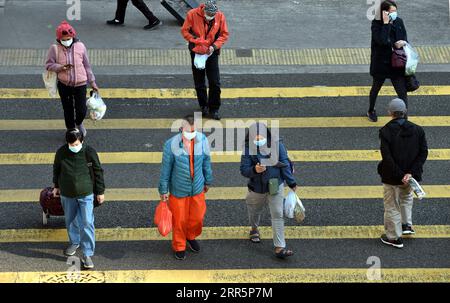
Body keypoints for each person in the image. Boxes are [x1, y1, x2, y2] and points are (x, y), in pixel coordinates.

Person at [158, 115, 213, 260]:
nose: (191, 133)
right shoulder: (171, 144)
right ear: (181, 129)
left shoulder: (203, 141)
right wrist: (163, 190)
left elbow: (207, 161)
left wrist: (208, 180)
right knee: (179, 220)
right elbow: (165, 169)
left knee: (197, 217)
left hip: (197, 188)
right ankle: (179, 245)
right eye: (189, 131)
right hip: (179, 190)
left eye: (194, 130)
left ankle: (190, 235)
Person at [240, 122, 297, 259]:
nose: (259, 140)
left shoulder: (278, 145)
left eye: (262, 137)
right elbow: (244, 170)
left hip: (275, 186)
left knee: (277, 214)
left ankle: (280, 247)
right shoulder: (248, 149)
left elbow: (284, 164)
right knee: (254, 212)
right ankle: (254, 229)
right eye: (256, 138)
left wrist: (291, 182)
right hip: (257, 189)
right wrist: (255, 170)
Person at [378, 98, 428, 248]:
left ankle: (393, 237)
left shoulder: (385, 131)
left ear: (390, 113)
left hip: (392, 176)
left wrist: (400, 175)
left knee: (392, 205)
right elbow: (423, 153)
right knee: (406, 198)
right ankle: (407, 225)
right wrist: (409, 174)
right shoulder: (418, 130)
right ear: (405, 112)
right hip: (411, 177)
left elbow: (387, 157)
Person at [53, 128, 105, 269]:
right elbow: (56, 169)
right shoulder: (61, 152)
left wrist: (100, 192)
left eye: (76, 144)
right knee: (71, 220)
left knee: (87, 222)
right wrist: (56, 186)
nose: (74, 147)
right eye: (71, 144)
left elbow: (98, 171)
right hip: (67, 194)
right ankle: (74, 242)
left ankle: (87, 253)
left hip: (86, 194)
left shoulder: (89, 152)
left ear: (82, 141)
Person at [45, 21, 98, 138]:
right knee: (68, 109)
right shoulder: (54, 49)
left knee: (81, 110)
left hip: (80, 84)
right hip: (64, 85)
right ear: (59, 38)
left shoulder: (81, 46)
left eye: (69, 38)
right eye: (64, 39)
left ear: (73, 36)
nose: (66, 41)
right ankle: (71, 129)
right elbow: (48, 65)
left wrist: (92, 82)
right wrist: (60, 67)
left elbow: (87, 65)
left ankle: (78, 123)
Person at [181, 0, 229, 120]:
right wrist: (197, 41)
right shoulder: (192, 14)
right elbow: (185, 31)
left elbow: (224, 35)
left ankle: (214, 109)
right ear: (204, 11)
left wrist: (214, 46)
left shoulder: (220, 16)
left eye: (213, 15)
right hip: (197, 51)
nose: (211, 17)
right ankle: (203, 106)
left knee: (215, 82)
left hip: (211, 52)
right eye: (209, 15)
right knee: (199, 81)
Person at [368, 0, 409, 122]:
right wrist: (386, 24)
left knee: (402, 92)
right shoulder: (376, 24)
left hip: (396, 63)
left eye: (395, 11)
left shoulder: (399, 21)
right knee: (376, 88)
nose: (395, 14)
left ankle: (404, 117)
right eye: (392, 12)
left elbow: (405, 37)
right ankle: (371, 109)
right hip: (381, 63)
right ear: (384, 12)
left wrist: (403, 42)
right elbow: (382, 41)